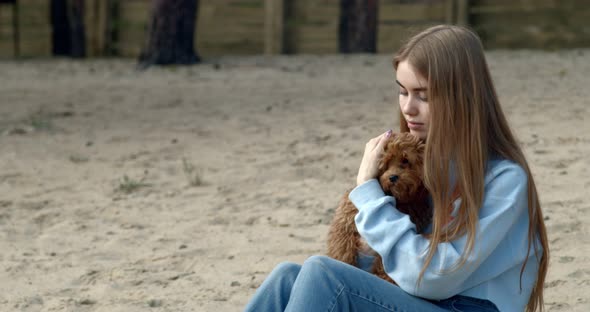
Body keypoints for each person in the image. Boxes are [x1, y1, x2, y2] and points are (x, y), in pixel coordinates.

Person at [243, 25, 549, 312]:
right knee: (287, 277)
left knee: (324, 275)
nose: (408, 108)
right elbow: (390, 267)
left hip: (463, 306)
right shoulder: (423, 167)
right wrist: (365, 249)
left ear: (463, 99)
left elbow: (434, 278)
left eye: (424, 96)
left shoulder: (505, 181)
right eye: (403, 91)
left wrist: (368, 193)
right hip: (420, 298)